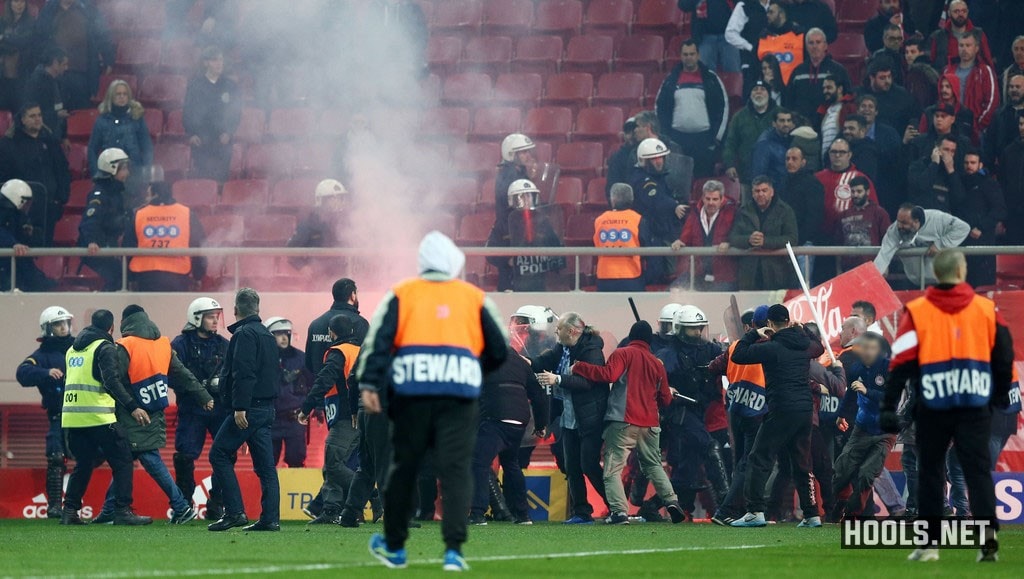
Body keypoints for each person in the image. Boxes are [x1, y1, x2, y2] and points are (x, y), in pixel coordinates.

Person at [357, 231, 508, 571]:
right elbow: (501, 348)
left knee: (404, 466)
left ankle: (395, 546)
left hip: (411, 394)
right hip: (459, 397)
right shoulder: (474, 297)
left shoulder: (402, 293)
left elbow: (378, 342)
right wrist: (471, 369)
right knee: (455, 469)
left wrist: (369, 383)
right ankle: (454, 549)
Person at [881, 250, 1013, 562]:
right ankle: (988, 543)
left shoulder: (918, 311)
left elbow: (900, 363)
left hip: (933, 403)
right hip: (974, 404)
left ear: (937, 273)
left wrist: (889, 405)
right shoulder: (986, 309)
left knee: (930, 472)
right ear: (962, 269)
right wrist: (1000, 394)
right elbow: (1004, 354)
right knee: (977, 471)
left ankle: (928, 545)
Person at [91, 305, 213, 526]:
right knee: (125, 461)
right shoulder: (163, 345)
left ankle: (181, 507)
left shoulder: (125, 346)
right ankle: (109, 510)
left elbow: (113, 380)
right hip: (155, 412)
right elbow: (184, 375)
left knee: (149, 459)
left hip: (133, 413)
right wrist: (204, 396)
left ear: (125, 323)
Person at [572, 321, 687, 525]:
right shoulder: (656, 363)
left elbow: (609, 375)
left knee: (612, 469)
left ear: (631, 335)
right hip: (650, 423)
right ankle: (672, 501)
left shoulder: (622, 353)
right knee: (654, 465)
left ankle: (619, 512)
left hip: (623, 420)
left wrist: (580, 367)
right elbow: (666, 400)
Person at [729, 304, 826, 528]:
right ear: (789, 321)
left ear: (770, 324)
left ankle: (754, 511)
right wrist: (804, 329)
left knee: (759, 458)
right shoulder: (805, 345)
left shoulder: (772, 347)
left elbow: (738, 355)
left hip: (782, 408)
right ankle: (812, 514)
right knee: (801, 463)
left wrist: (754, 333)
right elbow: (819, 348)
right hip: (804, 410)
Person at [60, 309, 150, 526]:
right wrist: (133, 407)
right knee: (123, 460)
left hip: (73, 418)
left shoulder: (73, 349)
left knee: (83, 463)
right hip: (99, 417)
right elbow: (111, 381)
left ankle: (70, 511)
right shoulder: (104, 347)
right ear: (111, 328)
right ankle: (122, 511)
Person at [207, 288, 282, 532]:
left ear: (236, 310)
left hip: (248, 409)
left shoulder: (244, 334)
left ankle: (235, 512)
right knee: (266, 467)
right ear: (257, 309)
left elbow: (244, 373)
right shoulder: (267, 335)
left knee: (218, 454)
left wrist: (240, 408)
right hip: (266, 408)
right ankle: (270, 519)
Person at [533, 312, 608, 526]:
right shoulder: (563, 348)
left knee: (589, 465)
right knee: (571, 466)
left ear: (572, 331)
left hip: (589, 418)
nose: (556, 331)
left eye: (559, 328)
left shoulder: (592, 350)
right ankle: (582, 512)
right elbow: (542, 361)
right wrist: (524, 361)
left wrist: (557, 378)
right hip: (569, 417)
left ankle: (616, 507)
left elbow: (587, 383)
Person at [655, 306, 729, 520]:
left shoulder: (711, 350)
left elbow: (729, 361)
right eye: (692, 329)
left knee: (687, 471)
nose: (697, 332)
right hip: (680, 412)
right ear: (680, 329)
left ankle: (652, 506)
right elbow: (654, 379)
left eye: (699, 328)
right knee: (710, 447)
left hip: (702, 412)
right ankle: (726, 506)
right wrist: (665, 388)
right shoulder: (667, 355)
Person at [469, 334, 549, 526]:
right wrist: (541, 425)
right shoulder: (521, 363)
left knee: (479, 463)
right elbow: (539, 395)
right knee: (511, 464)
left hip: (495, 416)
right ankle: (523, 515)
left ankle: (477, 514)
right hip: (519, 420)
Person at [172, 297, 231, 521]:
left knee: (225, 454)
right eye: (210, 316)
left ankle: (217, 504)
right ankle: (184, 505)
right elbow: (172, 375)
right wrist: (198, 391)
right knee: (185, 457)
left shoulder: (224, 344)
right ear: (196, 318)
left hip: (220, 410)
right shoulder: (180, 344)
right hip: (191, 410)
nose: (215, 321)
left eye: (216, 316)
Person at [299, 314, 361, 525]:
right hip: (363, 415)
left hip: (345, 415)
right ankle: (331, 510)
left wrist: (306, 407)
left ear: (332, 333)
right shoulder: (361, 351)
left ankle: (370, 495)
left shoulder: (338, 353)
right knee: (335, 465)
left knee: (333, 464)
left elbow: (323, 380)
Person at [709, 305, 769, 525]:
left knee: (740, 462)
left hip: (736, 408)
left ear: (751, 325)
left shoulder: (735, 346)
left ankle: (737, 509)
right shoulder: (772, 347)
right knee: (750, 463)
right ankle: (728, 510)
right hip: (759, 409)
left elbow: (714, 367)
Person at [16, 306, 74, 519]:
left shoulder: (79, 347)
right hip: (58, 415)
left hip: (84, 414)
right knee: (56, 457)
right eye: (59, 324)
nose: (64, 327)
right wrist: (45, 373)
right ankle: (55, 506)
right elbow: (22, 373)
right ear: (48, 328)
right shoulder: (41, 356)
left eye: (66, 323)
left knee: (97, 456)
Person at [831, 332, 895, 519]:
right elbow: (850, 393)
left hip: (885, 432)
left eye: (871, 348)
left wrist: (867, 391)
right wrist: (841, 414)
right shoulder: (856, 368)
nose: (867, 352)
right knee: (842, 470)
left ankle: (852, 513)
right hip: (861, 429)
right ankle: (840, 502)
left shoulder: (889, 369)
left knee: (867, 474)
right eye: (864, 348)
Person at [655, 39, 729, 178]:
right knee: (678, 181)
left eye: (692, 54)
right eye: (685, 54)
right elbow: (660, 108)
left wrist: (716, 137)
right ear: (681, 56)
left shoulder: (711, 79)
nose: (688, 57)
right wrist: (665, 136)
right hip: (677, 139)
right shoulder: (670, 80)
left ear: (698, 55)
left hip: (704, 140)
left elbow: (723, 108)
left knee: (703, 181)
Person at [0, 102, 71, 246]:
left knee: (46, 248)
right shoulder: (8, 144)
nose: (38, 119)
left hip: (49, 208)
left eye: (39, 115)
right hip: (19, 210)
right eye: (32, 116)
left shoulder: (51, 142)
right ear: (22, 120)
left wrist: (61, 199)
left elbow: (63, 171)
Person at [124, 181, 207, 292]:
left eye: (148, 195)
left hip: (146, 275)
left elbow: (128, 246)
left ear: (155, 195)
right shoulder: (186, 214)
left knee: (148, 308)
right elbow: (199, 245)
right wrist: (198, 275)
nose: (146, 198)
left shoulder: (139, 214)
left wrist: (130, 278)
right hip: (178, 275)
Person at [35, 0, 114, 111]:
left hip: (82, 74)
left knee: (80, 113)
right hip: (55, 74)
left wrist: (108, 58)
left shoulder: (88, 9)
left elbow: (102, 34)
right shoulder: (49, 10)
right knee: (56, 114)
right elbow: (39, 38)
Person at [630, 138, 688, 284]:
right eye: (654, 158)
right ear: (644, 161)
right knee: (654, 271)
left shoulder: (660, 177)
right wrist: (673, 206)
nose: (659, 161)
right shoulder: (641, 179)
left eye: (661, 157)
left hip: (661, 231)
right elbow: (655, 198)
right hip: (649, 233)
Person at [873, 203, 970, 288]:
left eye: (904, 223)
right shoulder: (895, 230)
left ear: (916, 221)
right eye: (898, 221)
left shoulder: (937, 218)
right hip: (915, 281)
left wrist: (940, 244)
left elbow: (964, 228)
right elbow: (883, 256)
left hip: (943, 280)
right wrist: (872, 280)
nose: (899, 226)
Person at [729, 175, 799, 290]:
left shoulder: (785, 211)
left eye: (764, 190)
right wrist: (748, 240)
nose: (760, 194)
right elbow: (733, 237)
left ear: (772, 192)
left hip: (777, 273)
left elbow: (792, 238)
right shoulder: (743, 211)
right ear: (752, 193)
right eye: (757, 191)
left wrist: (765, 242)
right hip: (749, 274)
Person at [183, 46, 241, 181]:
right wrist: (191, 134)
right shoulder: (195, 85)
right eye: (215, 60)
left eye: (221, 60)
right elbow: (188, 111)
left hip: (222, 140)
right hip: (201, 140)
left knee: (221, 178)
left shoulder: (230, 85)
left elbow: (236, 113)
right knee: (204, 178)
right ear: (206, 63)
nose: (219, 63)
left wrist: (229, 132)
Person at [77, 147, 129, 292]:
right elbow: (90, 220)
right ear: (112, 168)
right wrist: (92, 241)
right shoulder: (100, 194)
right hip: (98, 250)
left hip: (108, 247)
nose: (127, 173)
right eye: (124, 169)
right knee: (116, 276)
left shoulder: (115, 193)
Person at [264, 317, 312, 468]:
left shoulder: (302, 358)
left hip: (295, 419)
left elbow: (314, 383)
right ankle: (269, 492)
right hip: (270, 420)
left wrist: (317, 407)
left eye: (287, 333)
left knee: (296, 459)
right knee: (267, 463)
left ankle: (295, 491)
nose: (284, 337)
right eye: (279, 334)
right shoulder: (262, 360)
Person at [672, 180, 738, 290]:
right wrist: (680, 242)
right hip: (698, 273)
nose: (711, 202)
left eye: (715, 199)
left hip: (723, 276)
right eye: (708, 199)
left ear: (722, 199)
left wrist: (729, 243)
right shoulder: (694, 213)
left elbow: (737, 236)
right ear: (703, 198)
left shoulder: (733, 212)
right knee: (673, 290)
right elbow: (685, 238)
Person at [502, 179, 565, 292]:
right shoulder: (503, 222)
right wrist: (507, 259)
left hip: (539, 281)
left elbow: (555, 245)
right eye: (521, 197)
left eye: (529, 196)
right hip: (512, 281)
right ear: (513, 200)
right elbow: (491, 251)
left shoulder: (542, 219)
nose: (526, 200)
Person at [492, 133, 537, 290]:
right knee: (510, 283)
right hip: (511, 237)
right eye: (523, 152)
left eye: (528, 151)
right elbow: (512, 210)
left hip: (516, 235)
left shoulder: (518, 173)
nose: (528, 156)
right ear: (512, 154)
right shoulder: (510, 175)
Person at [958, 150, 1006, 287]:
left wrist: (981, 227)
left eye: (973, 163)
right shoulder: (959, 182)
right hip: (963, 243)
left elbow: (1000, 210)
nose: (969, 166)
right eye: (966, 163)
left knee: (982, 288)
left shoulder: (989, 184)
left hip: (984, 243)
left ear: (980, 165)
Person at [87, 80, 153, 176]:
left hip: (134, 172)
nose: (122, 97)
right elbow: (92, 149)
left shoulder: (136, 117)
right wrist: (96, 173)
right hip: (109, 173)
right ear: (111, 97)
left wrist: (145, 171)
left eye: (125, 94)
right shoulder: (102, 120)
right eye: (118, 94)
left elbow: (147, 147)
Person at [942, 30, 1000, 139]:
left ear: (976, 48)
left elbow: (992, 101)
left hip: (975, 129)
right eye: (961, 45)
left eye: (968, 45)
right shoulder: (948, 71)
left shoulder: (984, 71)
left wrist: (979, 125)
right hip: (950, 127)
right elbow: (941, 97)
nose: (964, 49)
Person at [305, 278, 368, 376]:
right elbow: (366, 361)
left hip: (320, 389)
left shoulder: (315, 324)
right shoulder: (359, 323)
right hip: (347, 389)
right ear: (353, 295)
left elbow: (308, 363)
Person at [785, 29, 850, 123]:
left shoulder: (838, 70)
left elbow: (847, 98)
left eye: (818, 42)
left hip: (830, 123)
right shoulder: (797, 72)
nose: (814, 46)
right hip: (801, 126)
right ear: (806, 47)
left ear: (825, 45)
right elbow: (789, 101)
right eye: (811, 43)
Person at [816, 138, 879, 234]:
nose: (837, 155)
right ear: (829, 154)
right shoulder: (818, 178)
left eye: (842, 152)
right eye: (834, 152)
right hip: (822, 235)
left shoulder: (860, 179)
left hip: (853, 236)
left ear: (849, 155)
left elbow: (873, 210)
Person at [723, 80, 777, 190]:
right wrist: (729, 164)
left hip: (775, 176)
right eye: (755, 89)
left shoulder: (780, 114)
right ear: (750, 94)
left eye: (762, 89)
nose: (759, 92)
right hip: (746, 176)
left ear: (769, 94)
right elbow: (730, 143)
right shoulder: (739, 117)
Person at [0, 179, 52, 291]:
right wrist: (13, 244)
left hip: (18, 268)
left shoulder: (19, 217)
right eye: (27, 202)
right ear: (20, 200)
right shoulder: (7, 216)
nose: (29, 206)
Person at [593, 183, 645, 292]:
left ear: (613, 200)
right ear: (632, 199)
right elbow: (645, 245)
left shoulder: (599, 220)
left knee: (606, 309)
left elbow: (597, 243)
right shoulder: (637, 219)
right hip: (631, 275)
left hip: (605, 275)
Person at [837, 176, 892, 271]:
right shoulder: (844, 215)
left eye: (859, 191)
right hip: (848, 269)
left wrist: (885, 266)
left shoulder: (879, 213)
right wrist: (838, 270)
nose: (855, 195)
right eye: (853, 191)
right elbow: (838, 244)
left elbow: (888, 241)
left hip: (873, 267)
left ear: (867, 192)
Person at [779, 147, 827, 252]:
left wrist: (800, 239)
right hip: (785, 242)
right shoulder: (782, 183)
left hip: (805, 243)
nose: (790, 162)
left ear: (803, 162)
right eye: (787, 159)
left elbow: (814, 216)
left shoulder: (813, 184)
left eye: (794, 159)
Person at [860, 56, 920, 136]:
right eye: (882, 78)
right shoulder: (861, 94)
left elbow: (915, 116)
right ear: (872, 78)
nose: (887, 81)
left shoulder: (902, 95)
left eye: (889, 76)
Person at [927, 0, 992, 70]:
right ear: (949, 13)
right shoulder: (937, 36)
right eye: (956, 11)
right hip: (944, 78)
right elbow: (930, 66)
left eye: (964, 11)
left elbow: (988, 62)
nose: (960, 14)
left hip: (973, 78)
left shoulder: (979, 34)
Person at [908, 135, 965, 212]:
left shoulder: (953, 172)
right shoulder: (919, 165)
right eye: (946, 149)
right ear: (936, 148)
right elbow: (921, 186)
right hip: (922, 214)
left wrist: (951, 171)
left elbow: (959, 199)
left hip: (943, 218)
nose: (949, 154)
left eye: (952, 151)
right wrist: (934, 164)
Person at [20, 46, 68, 141]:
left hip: (55, 134)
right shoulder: (35, 83)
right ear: (55, 63)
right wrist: (56, 115)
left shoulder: (59, 81)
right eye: (64, 64)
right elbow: (31, 110)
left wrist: (64, 136)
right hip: (41, 137)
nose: (66, 68)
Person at [724, 0, 771, 91]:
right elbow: (730, 33)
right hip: (751, 59)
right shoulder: (744, 5)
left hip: (776, 59)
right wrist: (750, 47)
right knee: (751, 90)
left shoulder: (778, 4)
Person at [756, 2, 805, 85]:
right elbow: (756, 65)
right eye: (767, 12)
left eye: (771, 12)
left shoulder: (799, 35)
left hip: (795, 86)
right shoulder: (762, 37)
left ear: (781, 14)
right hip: (770, 88)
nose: (767, 15)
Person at [0, 0, 36, 112]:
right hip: (3, 76)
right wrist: (11, 45)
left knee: (20, 111)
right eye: (16, 1)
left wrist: (3, 38)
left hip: (22, 75)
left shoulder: (31, 22)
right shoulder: (2, 22)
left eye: (22, 2)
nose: (19, 5)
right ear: (9, 4)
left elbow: (24, 42)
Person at [984, 73, 1024, 165]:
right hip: (1004, 165)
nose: (1014, 90)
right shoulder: (999, 114)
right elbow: (990, 142)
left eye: (1018, 87)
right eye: (1011, 87)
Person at [750, 108, 795, 187]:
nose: (786, 124)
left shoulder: (793, 139)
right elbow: (758, 174)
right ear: (774, 123)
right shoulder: (764, 143)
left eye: (788, 120)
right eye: (782, 121)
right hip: (773, 191)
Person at [998, 114, 1024, 244]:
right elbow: (1002, 183)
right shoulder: (1008, 151)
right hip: (1013, 213)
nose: (1022, 128)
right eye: (1020, 124)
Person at [818, 77, 857, 162]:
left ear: (839, 89)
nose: (825, 91)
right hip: (827, 161)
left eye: (829, 88)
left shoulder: (848, 107)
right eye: (824, 88)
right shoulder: (825, 111)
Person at [605, 117, 639, 200]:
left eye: (634, 131)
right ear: (623, 135)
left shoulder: (648, 154)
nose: (631, 136)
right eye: (628, 132)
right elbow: (612, 186)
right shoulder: (617, 158)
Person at [842, 115, 881, 184]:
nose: (847, 131)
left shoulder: (868, 151)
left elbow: (866, 178)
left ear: (862, 131)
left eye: (851, 128)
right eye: (845, 128)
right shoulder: (842, 146)